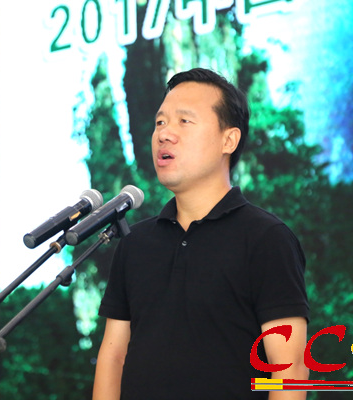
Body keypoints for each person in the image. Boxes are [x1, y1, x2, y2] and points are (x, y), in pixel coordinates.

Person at [92, 68, 310, 399]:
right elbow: (113, 358)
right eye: (160, 122)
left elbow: (289, 370)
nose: (164, 134)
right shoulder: (134, 243)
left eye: (184, 121)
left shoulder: (267, 239)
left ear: (228, 140)